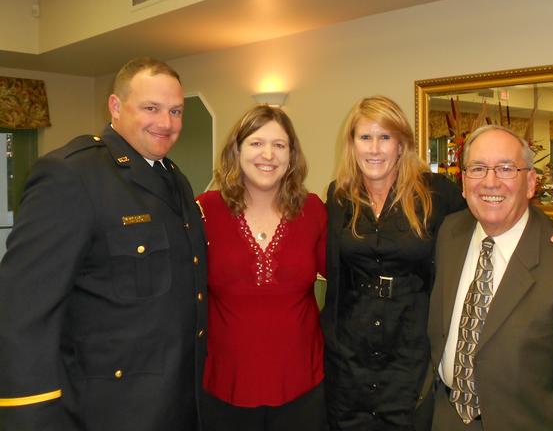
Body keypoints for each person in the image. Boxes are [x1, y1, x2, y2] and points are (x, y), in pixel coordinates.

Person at [321, 96, 553, 431]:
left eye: (385, 137)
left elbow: (494, 210)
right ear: (352, 144)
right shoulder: (339, 196)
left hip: (412, 355)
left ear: (401, 144)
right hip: (350, 354)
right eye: (365, 137)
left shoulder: (435, 192)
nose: (375, 148)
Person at [0, 57, 207, 431]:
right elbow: (22, 310)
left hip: (175, 402)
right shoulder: (71, 175)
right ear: (115, 106)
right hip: (107, 411)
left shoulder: (174, 179)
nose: (167, 123)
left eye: (176, 111)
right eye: (151, 108)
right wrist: (32, 416)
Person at [427, 125, 553, 430]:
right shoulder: (449, 233)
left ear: (530, 182)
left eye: (506, 168)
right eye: (478, 168)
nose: (490, 182)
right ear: (464, 183)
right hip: (445, 417)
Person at [196, 105, 327, 431]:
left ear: (292, 154)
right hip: (224, 386)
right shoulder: (204, 210)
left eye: (279, 145)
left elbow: (346, 279)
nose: (268, 154)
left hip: (302, 385)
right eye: (256, 143)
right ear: (237, 150)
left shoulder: (313, 210)